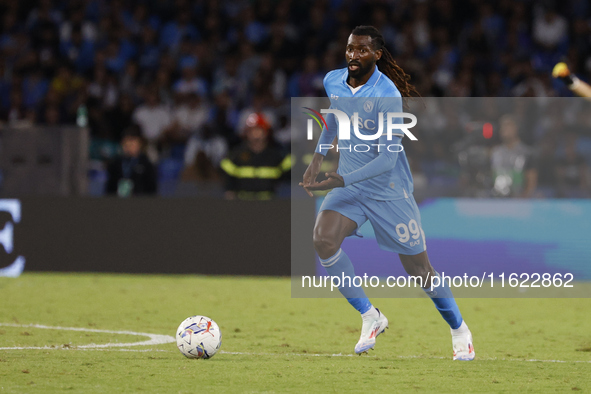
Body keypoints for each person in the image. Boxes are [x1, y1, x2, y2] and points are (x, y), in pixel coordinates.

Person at [300, 26, 474, 360]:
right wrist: (318, 158)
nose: (353, 56)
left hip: (388, 191)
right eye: (350, 49)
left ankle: (459, 330)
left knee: (421, 272)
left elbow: (387, 159)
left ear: (377, 55)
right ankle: (370, 316)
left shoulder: (387, 95)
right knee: (323, 240)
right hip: (349, 183)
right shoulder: (332, 80)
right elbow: (334, 120)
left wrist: (341, 180)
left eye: (362, 50)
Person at [490, 115, 538, 198]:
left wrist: (524, 198)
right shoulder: (494, 152)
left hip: (518, 199)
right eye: (502, 126)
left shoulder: (527, 153)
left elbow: (531, 181)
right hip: (497, 199)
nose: (504, 129)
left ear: (516, 128)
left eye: (508, 125)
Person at [106, 128, 157, 197]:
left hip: (140, 201)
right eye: (126, 143)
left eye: (132, 143)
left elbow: (151, 188)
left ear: (139, 144)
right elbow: (110, 186)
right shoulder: (116, 163)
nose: (129, 146)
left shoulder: (146, 164)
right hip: (118, 201)